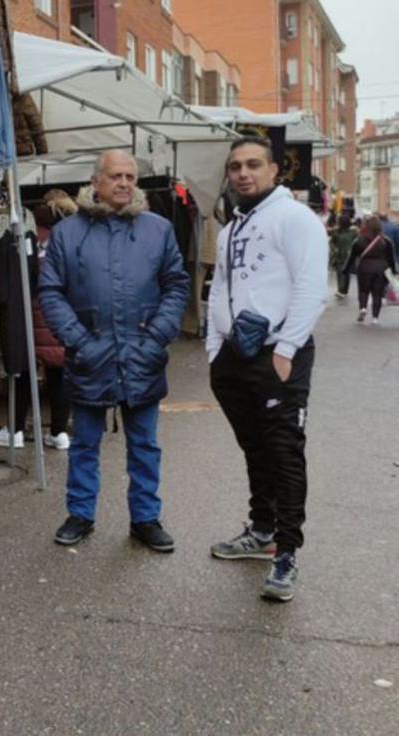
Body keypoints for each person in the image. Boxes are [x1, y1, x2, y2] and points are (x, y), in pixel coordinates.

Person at [38, 151, 190, 552]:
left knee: (144, 444)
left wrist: (156, 335)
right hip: (90, 356)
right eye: (115, 176)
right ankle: (80, 513)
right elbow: (50, 291)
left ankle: (145, 518)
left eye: (130, 176)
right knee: (85, 442)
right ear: (96, 182)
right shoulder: (68, 232)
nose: (124, 183)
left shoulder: (158, 229)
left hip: (142, 355)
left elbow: (176, 284)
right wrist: (79, 340)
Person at [207, 138, 328, 603]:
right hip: (234, 359)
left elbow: (311, 287)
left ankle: (287, 553)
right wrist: (215, 349)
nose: (243, 173)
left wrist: (288, 347)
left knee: (283, 453)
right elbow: (220, 289)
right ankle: (261, 531)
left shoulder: (294, 218)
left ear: (274, 169)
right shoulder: (230, 227)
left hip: (279, 356)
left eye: (253, 165)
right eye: (235, 166)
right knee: (254, 448)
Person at [0, 189, 74, 451]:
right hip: (63, 315)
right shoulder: (74, 237)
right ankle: (59, 432)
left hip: (32, 313)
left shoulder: (32, 237)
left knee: (24, 370)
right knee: (59, 372)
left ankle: (15, 428)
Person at [346, 216, 396, 325]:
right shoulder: (386, 241)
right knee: (377, 293)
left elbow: (352, 256)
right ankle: (375, 318)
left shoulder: (359, 240)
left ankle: (363, 308)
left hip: (364, 268)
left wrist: (346, 269)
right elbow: (391, 258)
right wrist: (393, 272)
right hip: (381, 269)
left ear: (366, 226)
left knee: (363, 291)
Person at [328, 214, 356, 300]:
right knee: (340, 273)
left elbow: (357, 242)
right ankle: (341, 290)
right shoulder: (336, 232)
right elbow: (331, 242)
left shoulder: (353, 232)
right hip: (339, 256)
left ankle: (344, 290)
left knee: (346, 274)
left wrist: (353, 250)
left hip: (349, 256)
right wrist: (334, 249)